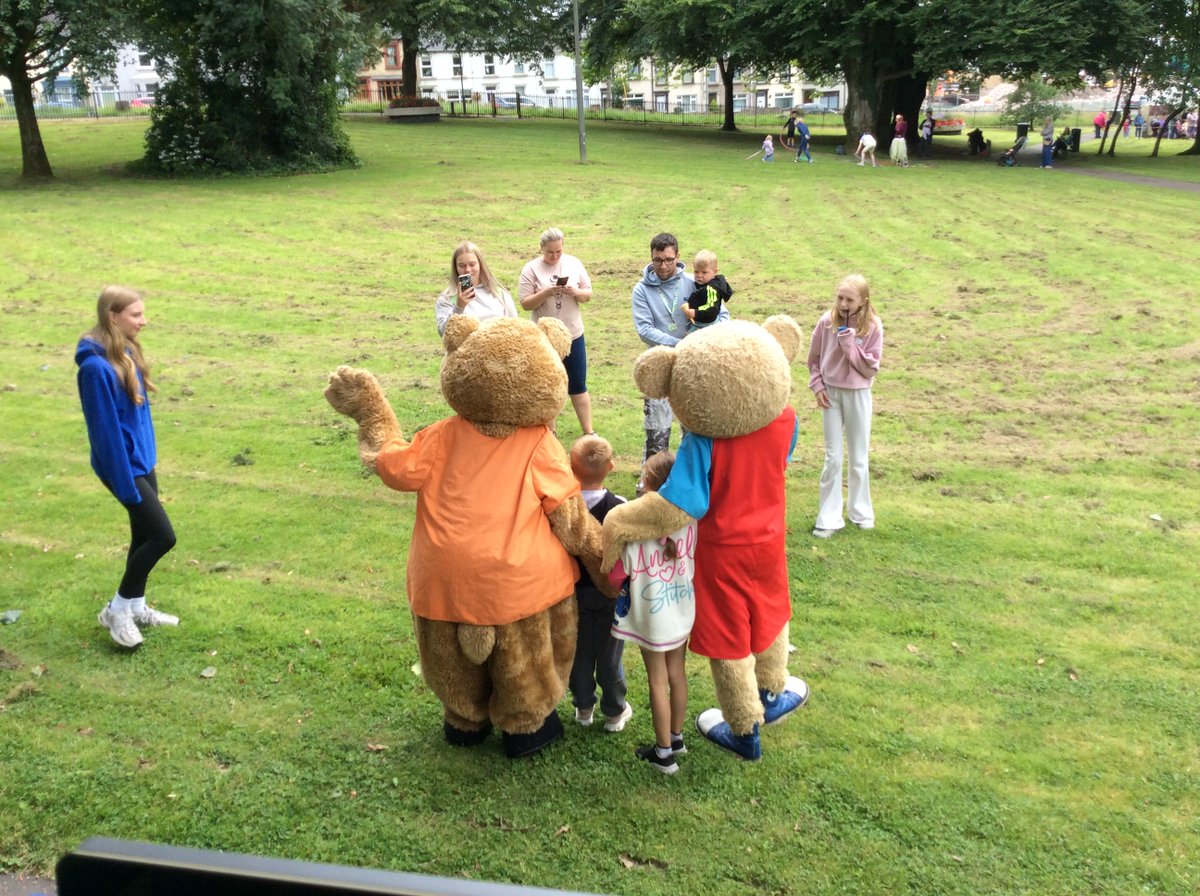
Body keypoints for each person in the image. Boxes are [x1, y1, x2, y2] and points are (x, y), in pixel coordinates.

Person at [76, 286, 178, 649]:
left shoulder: (127, 351)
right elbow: (105, 434)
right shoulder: (95, 369)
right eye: (136, 315)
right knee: (162, 537)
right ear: (113, 316)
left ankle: (135, 606)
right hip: (122, 467)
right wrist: (125, 483)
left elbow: (139, 416)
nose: (143, 321)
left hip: (141, 461)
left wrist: (149, 457)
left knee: (142, 535)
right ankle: (117, 610)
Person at [608, 450, 696, 775]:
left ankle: (664, 754)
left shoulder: (634, 529)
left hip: (652, 619)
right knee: (677, 674)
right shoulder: (692, 520)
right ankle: (676, 738)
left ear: (648, 484)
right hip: (682, 611)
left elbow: (617, 575)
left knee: (658, 681)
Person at [631, 233, 728, 474]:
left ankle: (692, 485)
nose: (663, 266)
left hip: (693, 368)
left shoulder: (696, 282)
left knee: (694, 433)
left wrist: (700, 340)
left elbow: (722, 316)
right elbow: (645, 330)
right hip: (660, 368)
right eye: (657, 260)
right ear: (651, 258)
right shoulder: (641, 290)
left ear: (678, 257)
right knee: (657, 435)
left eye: (668, 259)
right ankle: (650, 485)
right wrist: (678, 344)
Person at [807, 274, 884, 538]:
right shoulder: (826, 322)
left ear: (863, 301)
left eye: (849, 300)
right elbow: (814, 359)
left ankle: (861, 512)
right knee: (833, 457)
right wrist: (818, 386)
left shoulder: (872, 326)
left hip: (858, 394)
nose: (843, 304)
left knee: (858, 457)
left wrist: (850, 346)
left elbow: (869, 368)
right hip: (831, 394)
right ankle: (828, 517)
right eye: (840, 298)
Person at [567, 435, 633, 733]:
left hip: (572, 593)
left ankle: (583, 707)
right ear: (611, 467)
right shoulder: (620, 508)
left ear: (571, 468)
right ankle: (614, 712)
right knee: (610, 655)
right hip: (610, 594)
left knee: (578, 653)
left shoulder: (565, 508)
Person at [519, 227, 596, 435]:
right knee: (547, 385)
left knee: (578, 384)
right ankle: (549, 434)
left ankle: (589, 432)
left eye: (558, 251)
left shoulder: (573, 263)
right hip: (544, 337)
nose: (554, 256)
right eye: (550, 252)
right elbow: (525, 303)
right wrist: (546, 292)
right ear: (541, 249)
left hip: (573, 335)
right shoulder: (531, 269)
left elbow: (588, 294)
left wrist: (576, 292)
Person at [434, 241, 517, 337]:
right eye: (462, 266)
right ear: (455, 267)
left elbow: (516, 327)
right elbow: (443, 333)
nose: (467, 270)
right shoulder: (447, 298)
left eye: (472, 264)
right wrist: (459, 307)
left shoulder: (499, 293)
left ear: (480, 265)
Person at [684, 249, 734, 330]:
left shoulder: (712, 289)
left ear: (715, 272)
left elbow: (712, 309)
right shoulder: (702, 284)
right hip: (699, 322)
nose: (699, 275)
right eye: (696, 272)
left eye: (704, 272)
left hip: (706, 325)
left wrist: (695, 312)